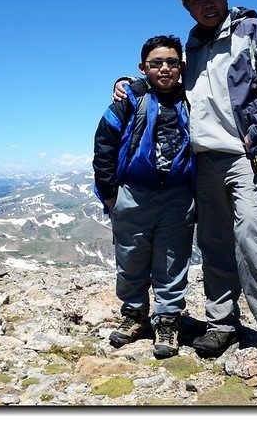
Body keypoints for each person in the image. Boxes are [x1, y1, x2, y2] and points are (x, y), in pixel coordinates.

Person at [114, 0, 257, 384]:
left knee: (252, 234)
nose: (206, 3)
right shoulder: (192, 48)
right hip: (203, 160)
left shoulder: (253, 30)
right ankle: (222, 321)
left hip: (242, 157)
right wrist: (128, 83)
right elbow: (165, 80)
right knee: (214, 239)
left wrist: (255, 134)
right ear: (188, 7)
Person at [93, 34, 196, 360]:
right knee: (131, 259)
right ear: (143, 67)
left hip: (178, 195)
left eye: (171, 62)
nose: (164, 68)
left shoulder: (193, 99)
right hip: (132, 194)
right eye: (156, 63)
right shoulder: (128, 99)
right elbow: (104, 145)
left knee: (172, 261)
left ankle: (166, 322)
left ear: (181, 66)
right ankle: (134, 316)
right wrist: (110, 194)